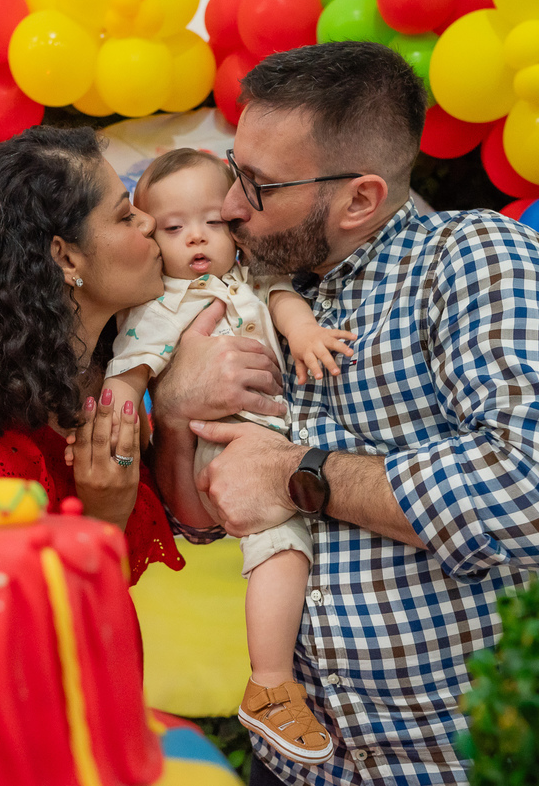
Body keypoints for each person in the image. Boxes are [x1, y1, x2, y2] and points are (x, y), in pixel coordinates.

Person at [148, 42, 539, 786]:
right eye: (236, 168)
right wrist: (173, 415)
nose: (232, 205)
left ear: (360, 198)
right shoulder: (255, 295)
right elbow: (204, 518)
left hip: (464, 756)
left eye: (260, 186)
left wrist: (299, 472)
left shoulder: (475, 256)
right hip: (302, 765)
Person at [92, 148, 354, 765]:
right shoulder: (159, 306)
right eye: (174, 228)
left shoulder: (251, 280)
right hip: (225, 452)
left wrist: (303, 332)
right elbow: (130, 370)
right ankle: (268, 681)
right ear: (152, 239)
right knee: (282, 547)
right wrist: (117, 412)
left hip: (284, 446)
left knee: (299, 548)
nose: (198, 238)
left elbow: (283, 299)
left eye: (213, 220)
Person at [0, 125, 184, 585]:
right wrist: (104, 515)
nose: (149, 222)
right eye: (126, 216)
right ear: (67, 260)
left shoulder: (120, 358)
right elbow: (15, 622)